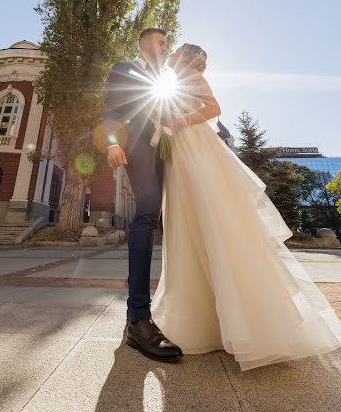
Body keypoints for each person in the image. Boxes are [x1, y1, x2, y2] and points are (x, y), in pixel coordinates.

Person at [150, 43, 341, 371]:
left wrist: (175, 123)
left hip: (196, 152)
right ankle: (206, 320)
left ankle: (252, 324)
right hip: (181, 155)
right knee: (188, 227)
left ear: (186, 57)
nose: (171, 54)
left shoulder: (191, 75)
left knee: (212, 223)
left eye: (176, 50)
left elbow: (212, 108)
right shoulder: (174, 82)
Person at [103, 28, 183, 363]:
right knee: (147, 213)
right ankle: (138, 318)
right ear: (146, 44)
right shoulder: (124, 68)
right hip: (135, 147)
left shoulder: (164, 77)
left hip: (167, 152)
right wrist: (111, 141)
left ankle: (141, 319)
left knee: (160, 217)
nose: (165, 47)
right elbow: (110, 105)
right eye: (162, 42)